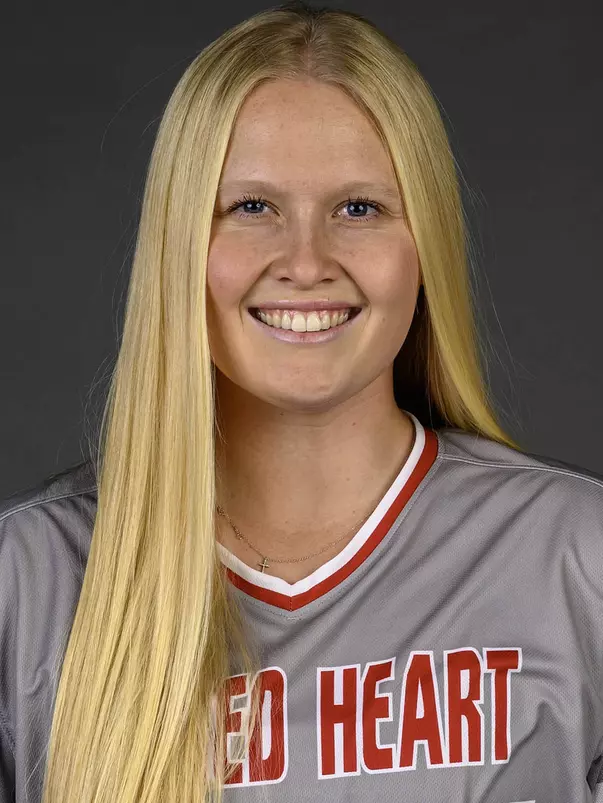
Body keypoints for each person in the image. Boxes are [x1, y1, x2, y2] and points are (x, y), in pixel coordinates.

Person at [1, 1, 603, 801]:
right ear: (179, 243)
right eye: (252, 207)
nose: (306, 261)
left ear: (423, 243)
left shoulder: (576, 559)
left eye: (359, 209)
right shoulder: (28, 581)